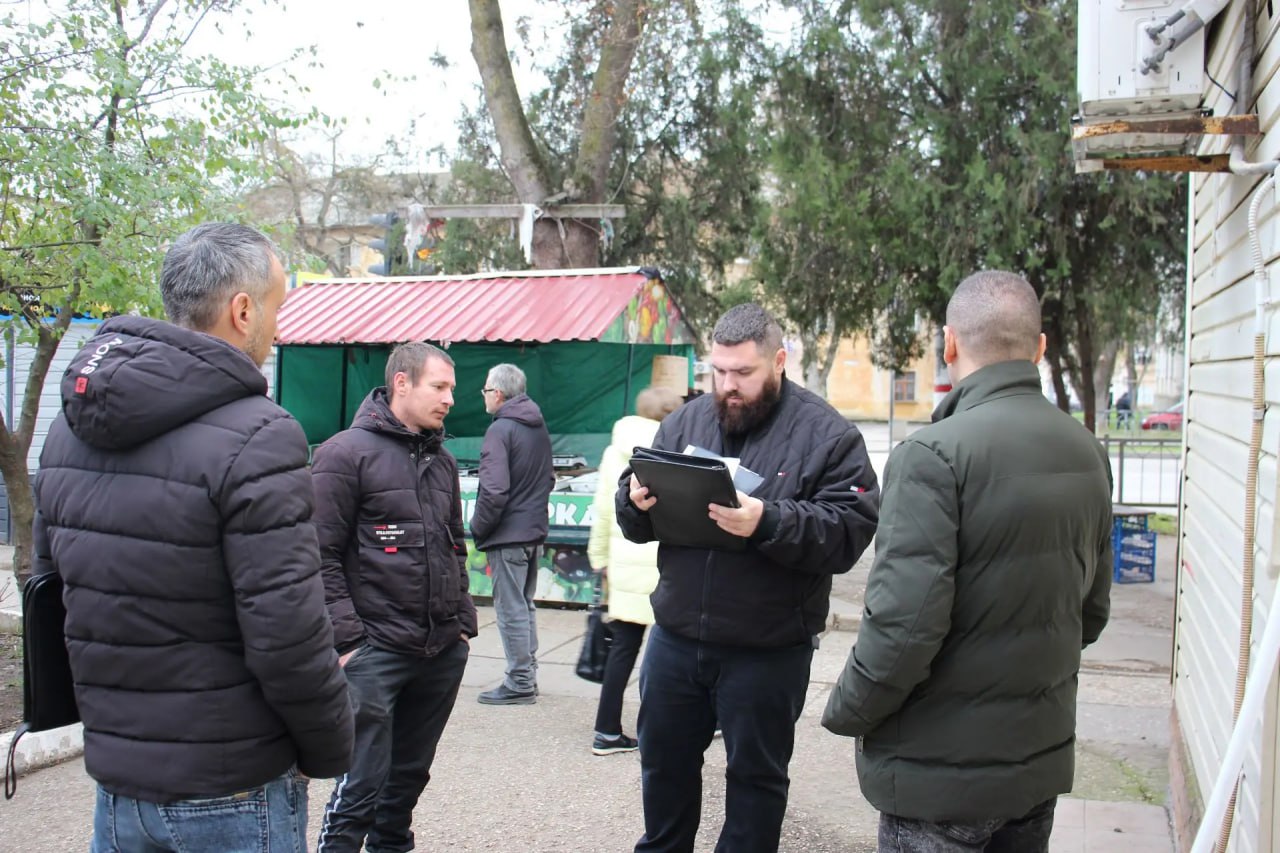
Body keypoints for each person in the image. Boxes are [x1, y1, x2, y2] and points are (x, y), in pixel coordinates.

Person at [32, 223, 354, 851]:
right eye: (276, 309)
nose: (278, 330)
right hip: (232, 783)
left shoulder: (69, 428)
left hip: (121, 784)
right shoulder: (261, 434)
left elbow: (51, 590)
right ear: (242, 311)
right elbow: (287, 631)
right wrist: (329, 748)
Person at [821, 271, 1113, 853]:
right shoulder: (1087, 450)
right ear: (1040, 347)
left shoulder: (931, 456)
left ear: (948, 344)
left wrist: (846, 708)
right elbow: (1092, 614)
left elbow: (902, 631)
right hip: (1037, 764)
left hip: (939, 778)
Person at [616, 303, 880, 853]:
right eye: (718, 372)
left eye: (743, 373)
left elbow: (849, 530)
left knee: (756, 781)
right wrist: (634, 501)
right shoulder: (684, 421)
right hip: (677, 637)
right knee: (663, 767)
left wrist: (769, 520)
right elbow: (635, 509)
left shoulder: (829, 436)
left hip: (768, 648)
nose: (728, 386)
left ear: (779, 361)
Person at [311, 341, 478, 852]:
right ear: (401, 383)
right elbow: (316, 555)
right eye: (440, 386)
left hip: (439, 651)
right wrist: (349, 642)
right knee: (358, 788)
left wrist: (462, 625)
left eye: (452, 387)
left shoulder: (443, 462)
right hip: (375, 653)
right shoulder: (343, 454)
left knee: (405, 784)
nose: (450, 398)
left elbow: (455, 545)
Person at [586, 385, 683, 756]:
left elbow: (604, 509)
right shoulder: (672, 452)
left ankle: (606, 729)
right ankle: (668, 727)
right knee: (675, 651)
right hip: (663, 565)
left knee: (623, 648)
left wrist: (599, 558)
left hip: (625, 562)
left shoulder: (616, 450)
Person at [471, 362, 555, 705]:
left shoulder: (500, 430)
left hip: (508, 534)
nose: (484, 397)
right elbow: (548, 478)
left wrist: (478, 526)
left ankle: (520, 680)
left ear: (499, 394)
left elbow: (494, 491)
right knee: (525, 605)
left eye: (486, 391)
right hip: (532, 531)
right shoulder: (536, 425)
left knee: (511, 609)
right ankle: (526, 673)